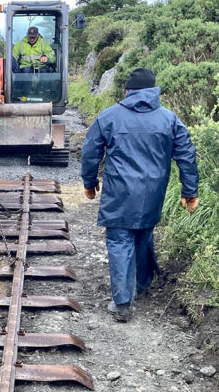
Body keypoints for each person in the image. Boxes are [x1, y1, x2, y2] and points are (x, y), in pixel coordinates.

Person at [81, 67, 199, 323]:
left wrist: (89, 182)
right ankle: (142, 283)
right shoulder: (169, 119)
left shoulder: (109, 116)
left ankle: (123, 302)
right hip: (153, 193)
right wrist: (190, 191)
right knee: (143, 233)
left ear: (127, 91)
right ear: (153, 90)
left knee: (120, 240)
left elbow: (90, 153)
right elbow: (186, 156)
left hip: (119, 194)